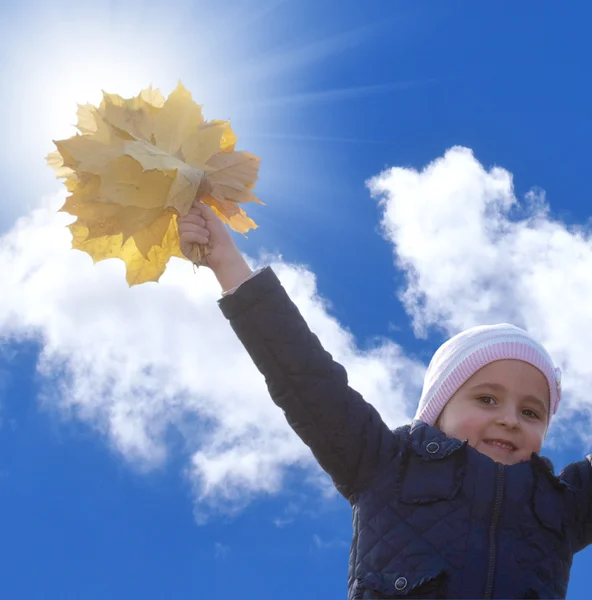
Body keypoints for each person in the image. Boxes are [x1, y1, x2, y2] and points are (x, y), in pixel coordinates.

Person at [177, 201, 591, 600]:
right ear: (438, 411)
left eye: (531, 411)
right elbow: (303, 376)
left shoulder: (562, 505)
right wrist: (226, 260)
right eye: (486, 399)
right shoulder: (383, 463)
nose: (510, 419)